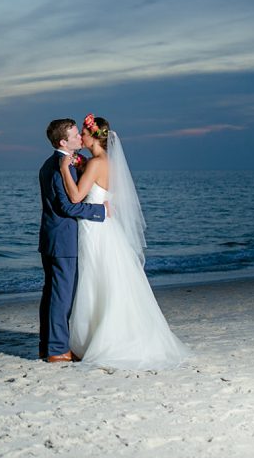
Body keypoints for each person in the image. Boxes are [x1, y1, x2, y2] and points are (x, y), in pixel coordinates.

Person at [60, 114, 192, 370]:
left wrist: (66, 169)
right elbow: (107, 197)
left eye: (83, 134)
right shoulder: (106, 162)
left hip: (93, 230)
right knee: (107, 281)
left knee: (95, 280)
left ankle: (95, 340)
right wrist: (80, 166)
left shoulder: (96, 164)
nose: (80, 138)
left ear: (92, 136)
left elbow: (76, 197)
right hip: (107, 228)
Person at [38, 119, 109, 363]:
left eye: (80, 133)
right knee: (61, 296)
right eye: (76, 134)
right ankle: (57, 349)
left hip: (51, 238)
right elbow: (69, 206)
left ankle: (46, 346)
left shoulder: (50, 163)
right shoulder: (61, 165)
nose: (80, 137)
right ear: (63, 142)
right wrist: (100, 212)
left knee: (51, 294)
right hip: (63, 241)